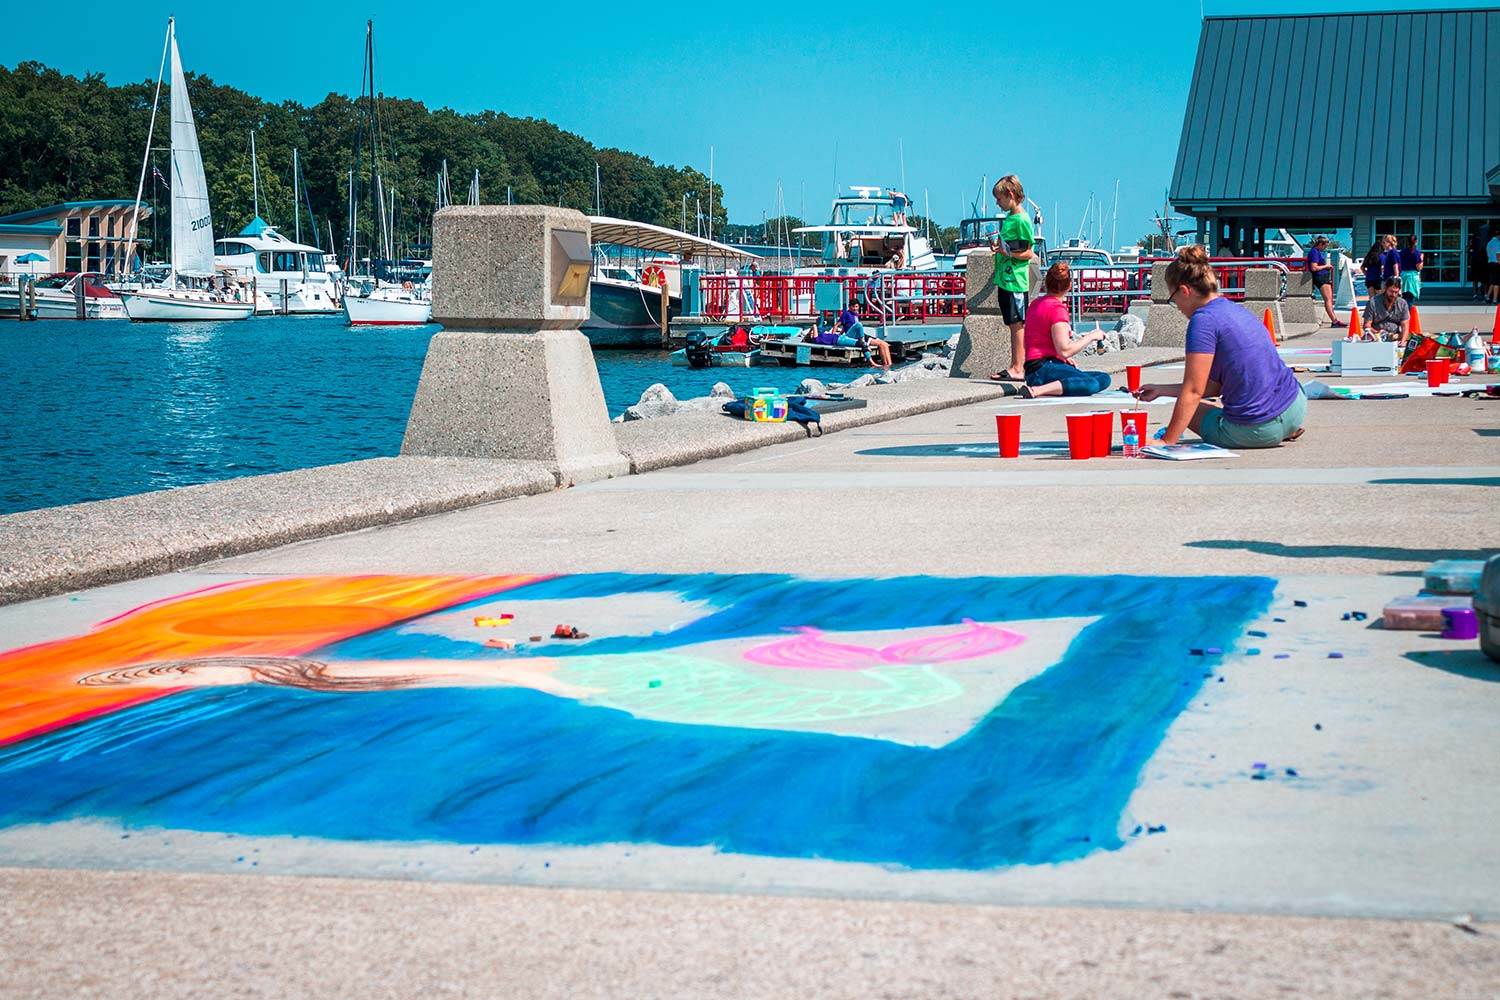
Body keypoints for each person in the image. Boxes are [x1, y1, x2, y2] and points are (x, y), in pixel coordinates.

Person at [1136, 246, 1306, 449]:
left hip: (1258, 429)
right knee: (1208, 405)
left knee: (1194, 411)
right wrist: (1162, 390)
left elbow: (1193, 391)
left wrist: (1166, 441)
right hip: (1295, 406)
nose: (1178, 308)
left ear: (1184, 291)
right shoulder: (1233, 309)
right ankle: (1283, 429)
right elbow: (1215, 386)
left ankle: (1270, 431)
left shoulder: (1202, 321)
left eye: (1174, 300)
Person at [1013, 262, 1110, 399]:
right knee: (1091, 384)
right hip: (1043, 368)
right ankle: (1037, 390)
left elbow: (1040, 340)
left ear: (1046, 283)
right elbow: (1064, 350)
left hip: (1035, 367)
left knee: (1104, 378)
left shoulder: (1035, 304)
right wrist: (1092, 336)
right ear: (1069, 285)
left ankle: (1056, 385)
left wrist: (1064, 358)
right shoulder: (1057, 309)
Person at [987, 174, 1035, 382]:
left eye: (999, 198)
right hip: (1006, 279)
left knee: (1017, 323)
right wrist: (998, 249)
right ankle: (1016, 365)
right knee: (1012, 322)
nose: (997, 203)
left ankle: (1018, 367)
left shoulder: (1022, 220)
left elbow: (1029, 252)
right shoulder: (1010, 219)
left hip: (1015, 279)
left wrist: (1008, 254)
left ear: (1011, 195)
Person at [837, 304, 893, 368]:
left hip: (862, 334)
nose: (855, 308)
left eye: (856, 307)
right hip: (857, 336)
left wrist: (841, 333)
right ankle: (886, 366)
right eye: (853, 306)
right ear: (849, 306)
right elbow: (837, 325)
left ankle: (889, 364)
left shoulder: (855, 314)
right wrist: (834, 336)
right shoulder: (846, 314)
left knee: (885, 344)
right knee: (881, 344)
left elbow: (846, 326)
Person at [1306, 236, 1343, 327]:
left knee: (1329, 299)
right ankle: (1334, 321)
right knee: (1328, 300)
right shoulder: (1314, 252)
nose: (1325, 248)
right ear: (1320, 244)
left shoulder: (1315, 252)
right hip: (1321, 277)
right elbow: (1314, 267)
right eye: (1325, 246)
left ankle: (1334, 319)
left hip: (1322, 276)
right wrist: (1326, 266)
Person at [1363, 277, 1411, 345]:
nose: (1393, 295)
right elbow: (1366, 325)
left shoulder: (1402, 304)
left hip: (1395, 337)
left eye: (1396, 292)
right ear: (1385, 288)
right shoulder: (1373, 302)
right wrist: (1377, 333)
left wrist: (1403, 340)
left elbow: (1405, 326)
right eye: (1391, 291)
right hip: (1375, 337)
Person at [1398, 235, 1423, 303]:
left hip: (1403, 276)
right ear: (1416, 241)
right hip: (1412, 278)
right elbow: (1419, 267)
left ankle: (1402, 312)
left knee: (1403, 299)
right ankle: (1406, 313)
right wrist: (1422, 259)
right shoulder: (1416, 253)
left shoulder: (1402, 252)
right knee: (1410, 300)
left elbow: (1399, 263)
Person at [1487, 224, 1500, 306]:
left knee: (1492, 281)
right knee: (1497, 283)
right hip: (1496, 263)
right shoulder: (1498, 242)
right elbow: (1498, 253)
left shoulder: (1489, 243)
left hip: (1490, 263)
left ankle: (1487, 296)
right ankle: (1495, 299)